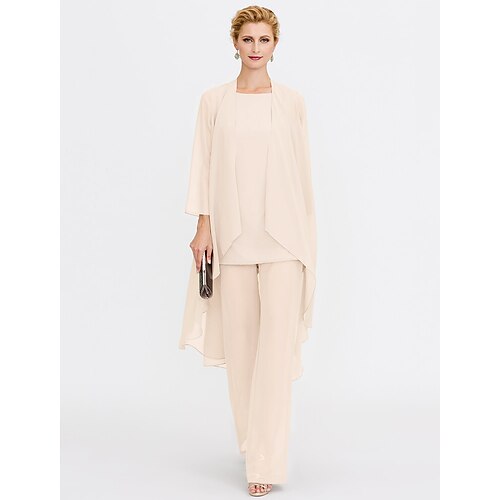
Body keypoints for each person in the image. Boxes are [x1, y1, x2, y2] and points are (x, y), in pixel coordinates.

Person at [178, 5, 317, 497]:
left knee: (275, 354)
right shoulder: (213, 102)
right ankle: (253, 444)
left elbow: (302, 175)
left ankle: (265, 461)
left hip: (284, 240)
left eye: (264, 40)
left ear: (276, 46)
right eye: (248, 39)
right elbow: (203, 165)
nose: (256, 48)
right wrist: (203, 227)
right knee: (242, 354)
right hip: (232, 238)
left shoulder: (292, 102)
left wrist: (308, 239)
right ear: (234, 44)